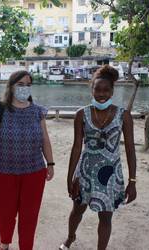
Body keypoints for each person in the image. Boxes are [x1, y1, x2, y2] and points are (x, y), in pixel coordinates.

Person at [59, 65, 137, 250]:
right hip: (85, 172)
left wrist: (132, 181)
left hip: (110, 175)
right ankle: (70, 238)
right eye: (97, 89)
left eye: (106, 90)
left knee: (106, 216)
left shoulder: (123, 115)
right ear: (91, 89)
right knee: (77, 210)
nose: (101, 94)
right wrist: (70, 177)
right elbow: (77, 146)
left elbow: (130, 149)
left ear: (112, 92)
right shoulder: (81, 114)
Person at [0, 70, 54, 250]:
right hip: (4, 171)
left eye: (28, 85)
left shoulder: (38, 112)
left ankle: (26, 247)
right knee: (5, 213)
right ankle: (5, 242)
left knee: (30, 215)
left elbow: (45, 139)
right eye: (20, 84)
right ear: (11, 87)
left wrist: (51, 163)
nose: (24, 88)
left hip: (34, 171)